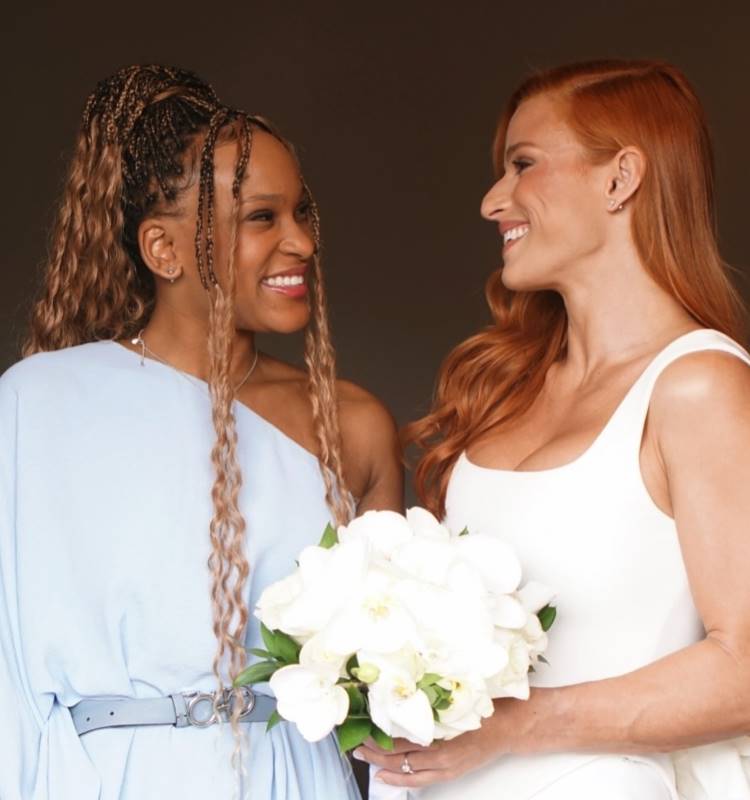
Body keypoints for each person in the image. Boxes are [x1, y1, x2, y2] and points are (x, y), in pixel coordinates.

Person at [0, 65, 402, 800]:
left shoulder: (353, 424)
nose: (302, 244)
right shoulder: (38, 402)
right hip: (105, 781)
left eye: (301, 214)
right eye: (262, 218)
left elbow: (393, 684)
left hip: (295, 778)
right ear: (164, 249)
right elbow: (7, 679)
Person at [356, 60, 750, 799]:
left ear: (620, 178)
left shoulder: (698, 387)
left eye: (523, 165)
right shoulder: (507, 388)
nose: (492, 201)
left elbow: (745, 670)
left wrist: (510, 726)